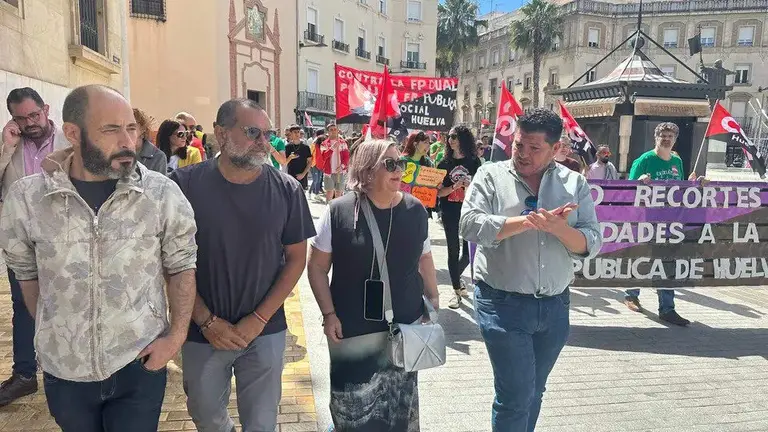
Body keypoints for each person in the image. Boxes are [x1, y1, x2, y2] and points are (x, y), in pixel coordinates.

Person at [0, 84, 198, 431]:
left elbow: (182, 265)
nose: (128, 141)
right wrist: (57, 327)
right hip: (65, 370)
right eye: (111, 129)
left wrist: (175, 338)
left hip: (140, 363)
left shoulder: (159, 193)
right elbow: (25, 273)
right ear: (73, 134)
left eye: (132, 129)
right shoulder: (29, 198)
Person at [170, 99, 315, 432]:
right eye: (253, 132)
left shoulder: (288, 190)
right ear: (221, 134)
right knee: (205, 414)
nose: (264, 143)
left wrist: (259, 319)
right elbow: (170, 265)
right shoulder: (183, 186)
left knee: (262, 422)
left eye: (268, 134)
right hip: (201, 330)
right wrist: (206, 321)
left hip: (265, 330)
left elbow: (295, 259)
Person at [460, 108, 601, 432]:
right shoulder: (490, 176)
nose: (522, 154)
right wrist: (525, 222)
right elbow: (469, 225)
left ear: (555, 149)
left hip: (554, 308)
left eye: (533, 148)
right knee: (515, 394)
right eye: (518, 145)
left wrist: (558, 228)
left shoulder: (574, 183)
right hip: (502, 304)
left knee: (534, 391)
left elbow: (592, 241)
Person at [307, 139, 439, 432]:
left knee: (398, 407)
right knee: (353, 409)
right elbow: (316, 267)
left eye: (400, 163)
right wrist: (329, 314)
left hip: (404, 326)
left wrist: (433, 300)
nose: (398, 170)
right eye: (389, 164)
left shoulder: (415, 209)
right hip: (352, 330)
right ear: (367, 169)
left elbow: (425, 259)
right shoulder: (339, 211)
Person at [0, 87, 70, 406]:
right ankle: (26, 374)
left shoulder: (71, 141)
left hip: (66, 240)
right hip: (23, 242)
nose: (30, 122)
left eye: (34, 114)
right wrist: (6, 147)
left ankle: (70, 371)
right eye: (21, 118)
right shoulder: (9, 147)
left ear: (46, 109)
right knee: (23, 308)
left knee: (68, 303)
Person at [625, 122, 690, 326]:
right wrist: (638, 182)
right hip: (645, 220)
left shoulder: (677, 162)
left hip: (669, 222)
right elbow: (626, 190)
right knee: (642, 257)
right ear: (656, 137)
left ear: (675, 139)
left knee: (666, 263)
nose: (667, 138)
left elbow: (680, 188)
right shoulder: (644, 160)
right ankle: (631, 294)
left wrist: (695, 183)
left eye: (671, 135)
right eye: (663, 134)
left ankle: (667, 309)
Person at [437, 125, 482, 309]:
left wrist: (469, 185)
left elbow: (481, 189)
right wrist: (455, 187)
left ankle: (456, 277)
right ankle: (456, 289)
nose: (451, 139)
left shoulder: (474, 162)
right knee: (452, 250)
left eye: (454, 136)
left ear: (463, 138)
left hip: (469, 210)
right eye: (449, 136)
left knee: (467, 253)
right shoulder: (443, 164)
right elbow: (439, 193)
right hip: (450, 210)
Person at [320, 122, 350, 202]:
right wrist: (332, 148)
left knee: (338, 192)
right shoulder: (324, 143)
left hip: (340, 172)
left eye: (335, 129)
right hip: (328, 172)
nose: (333, 131)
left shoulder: (343, 143)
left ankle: (337, 210)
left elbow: (346, 157)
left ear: (338, 131)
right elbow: (324, 156)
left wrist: (342, 166)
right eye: (331, 130)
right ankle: (329, 210)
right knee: (329, 192)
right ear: (328, 132)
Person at [132, 108, 167, 174]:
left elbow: (160, 183)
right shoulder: (118, 153)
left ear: (142, 129)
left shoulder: (158, 156)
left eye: (131, 127)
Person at [284, 124, 313, 190]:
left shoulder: (306, 147)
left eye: (298, 132)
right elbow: (284, 163)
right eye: (295, 132)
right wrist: (290, 158)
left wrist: (303, 174)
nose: (297, 134)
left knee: (302, 196)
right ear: (291, 134)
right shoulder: (287, 147)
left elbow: (310, 162)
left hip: (302, 176)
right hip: (291, 175)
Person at [309, 131, 326, 200]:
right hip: (314, 165)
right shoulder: (314, 146)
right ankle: (310, 193)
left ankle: (316, 194)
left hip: (321, 165)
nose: (323, 142)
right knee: (315, 180)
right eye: (322, 140)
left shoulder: (324, 147)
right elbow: (310, 155)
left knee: (319, 180)